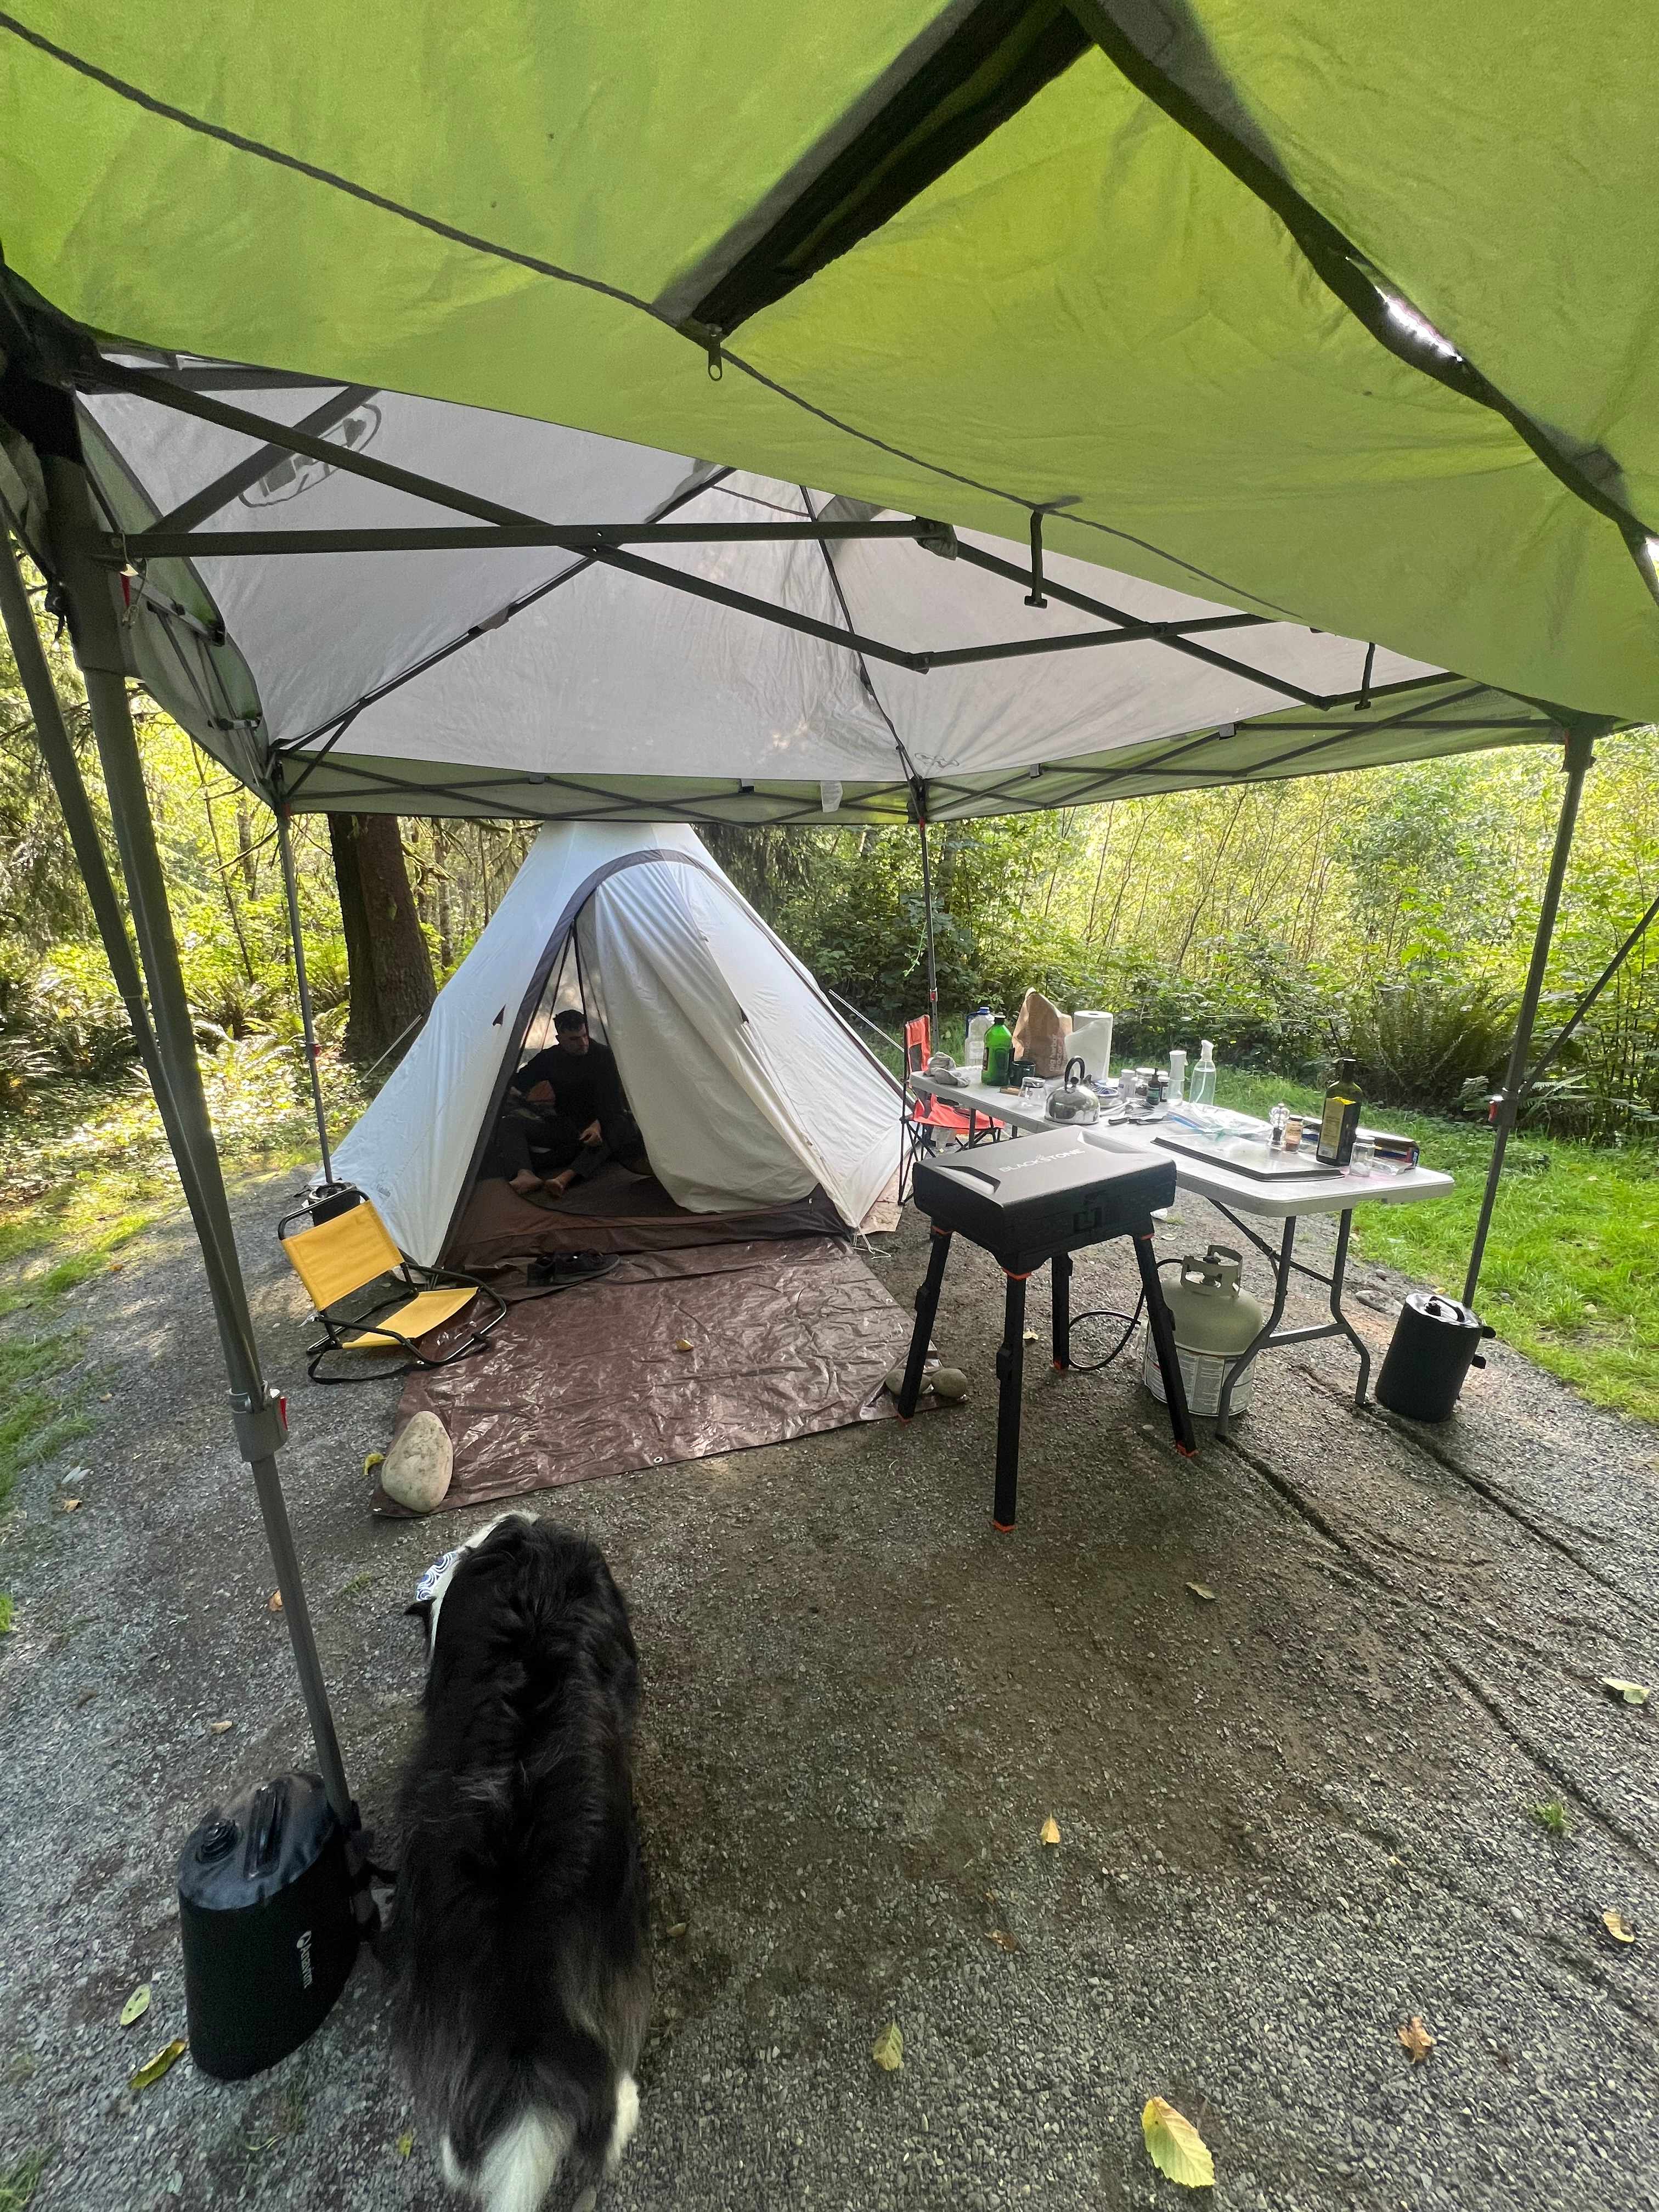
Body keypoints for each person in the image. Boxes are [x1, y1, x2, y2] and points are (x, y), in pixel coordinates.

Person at [487, 1009, 648, 1199]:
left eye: (585, 1036)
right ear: (559, 1039)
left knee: (619, 1127)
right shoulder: (549, 1059)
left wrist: (597, 1126)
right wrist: (511, 1093)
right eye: (574, 1039)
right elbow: (517, 1083)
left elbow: (612, 1103)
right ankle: (525, 1175)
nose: (583, 1043)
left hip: (602, 1125)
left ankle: (565, 1178)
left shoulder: (603, 1056)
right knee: (509, 1123)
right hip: (566, 1126)